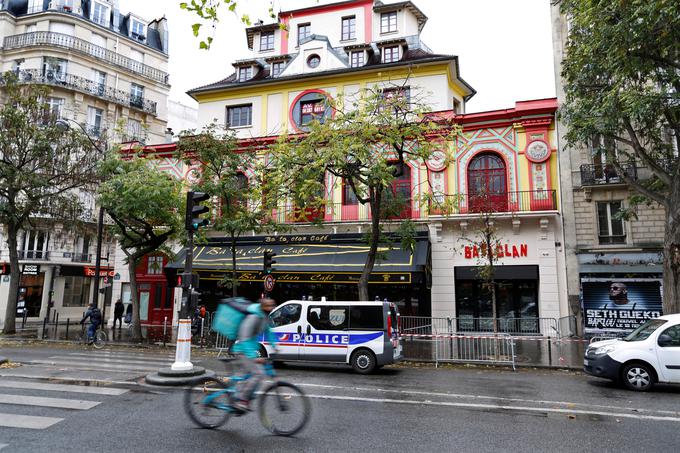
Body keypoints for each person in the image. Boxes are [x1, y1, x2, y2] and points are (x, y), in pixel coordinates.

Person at [231, 297, 278, 413]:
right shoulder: (254, 316)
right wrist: (253, 356)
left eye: (272, 306)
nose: (270, 308)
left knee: (253, 375)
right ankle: (241, 401)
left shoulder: (264, 317)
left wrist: (275, 346)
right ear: (262, 307)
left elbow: (269, 331)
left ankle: (240, 394)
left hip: (250, 349)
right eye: (267, 306)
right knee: (258, 374)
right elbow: (244, 337)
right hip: (242, 349)